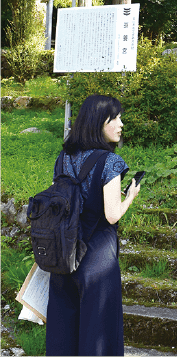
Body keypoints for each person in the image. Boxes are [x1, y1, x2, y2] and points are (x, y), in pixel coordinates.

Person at [46, 95, 141, 356]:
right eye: (116, 118)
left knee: (64, 327)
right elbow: (112, 215)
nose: (121, 124)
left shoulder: (64, 157)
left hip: (64, 253)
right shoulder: (110, 161)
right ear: (100, 122)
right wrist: (130, 197)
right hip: (97, 255)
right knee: (99, 328)